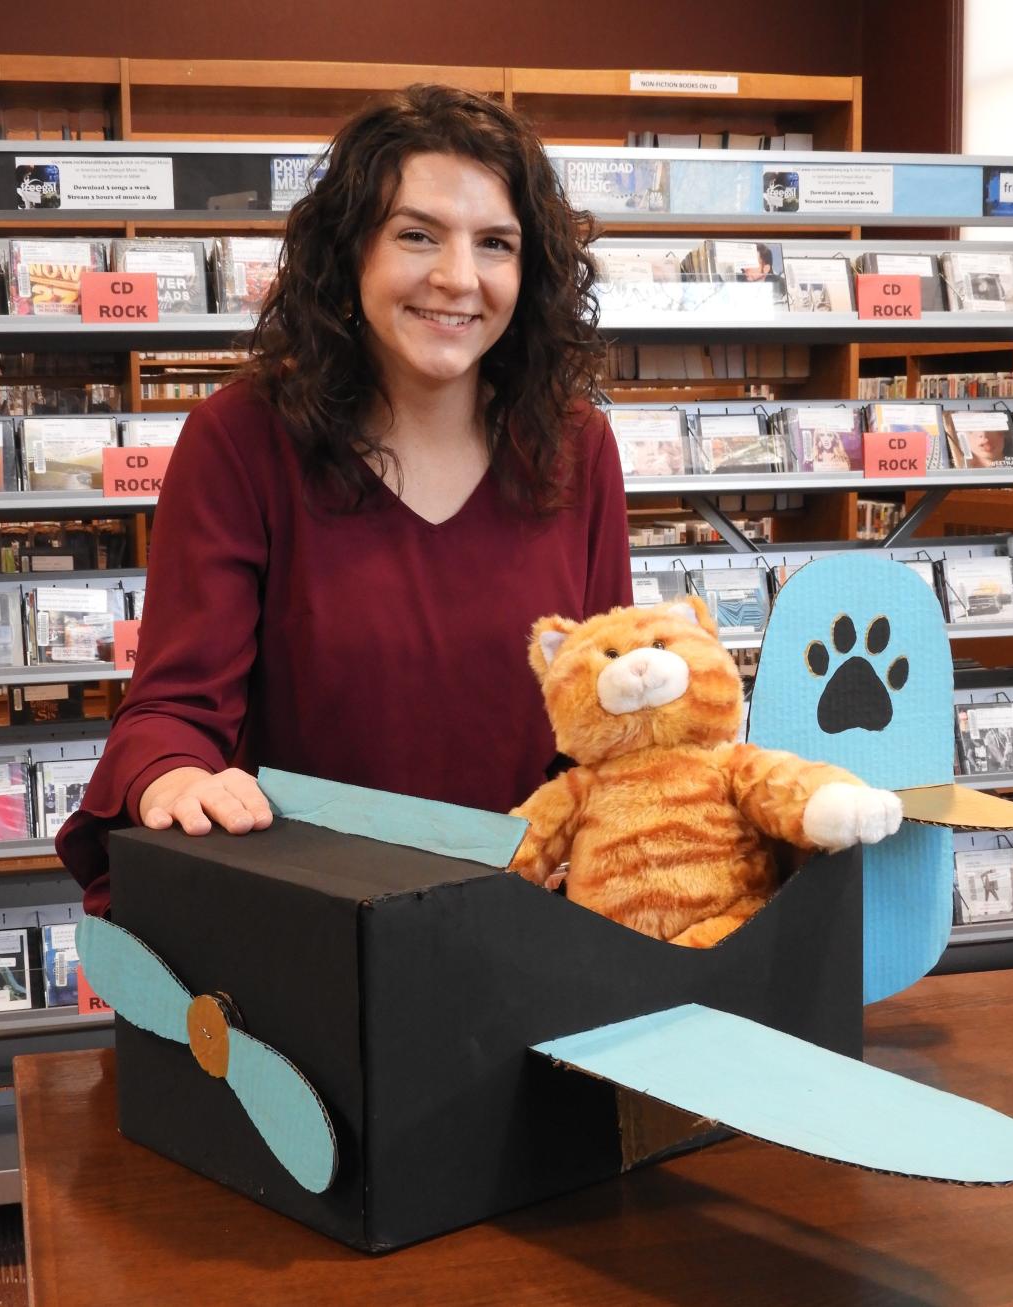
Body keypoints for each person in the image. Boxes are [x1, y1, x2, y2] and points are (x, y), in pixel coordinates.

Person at [56, 85, 634, 915]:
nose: (458, 277)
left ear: (532, 269)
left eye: (496, 243)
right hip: (311, 935)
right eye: (416, 234)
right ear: (349, 250)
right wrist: (174, 775)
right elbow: (175, 709)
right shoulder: (241, 441)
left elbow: (606, 719)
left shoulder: (578, 448)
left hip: (524, 931)